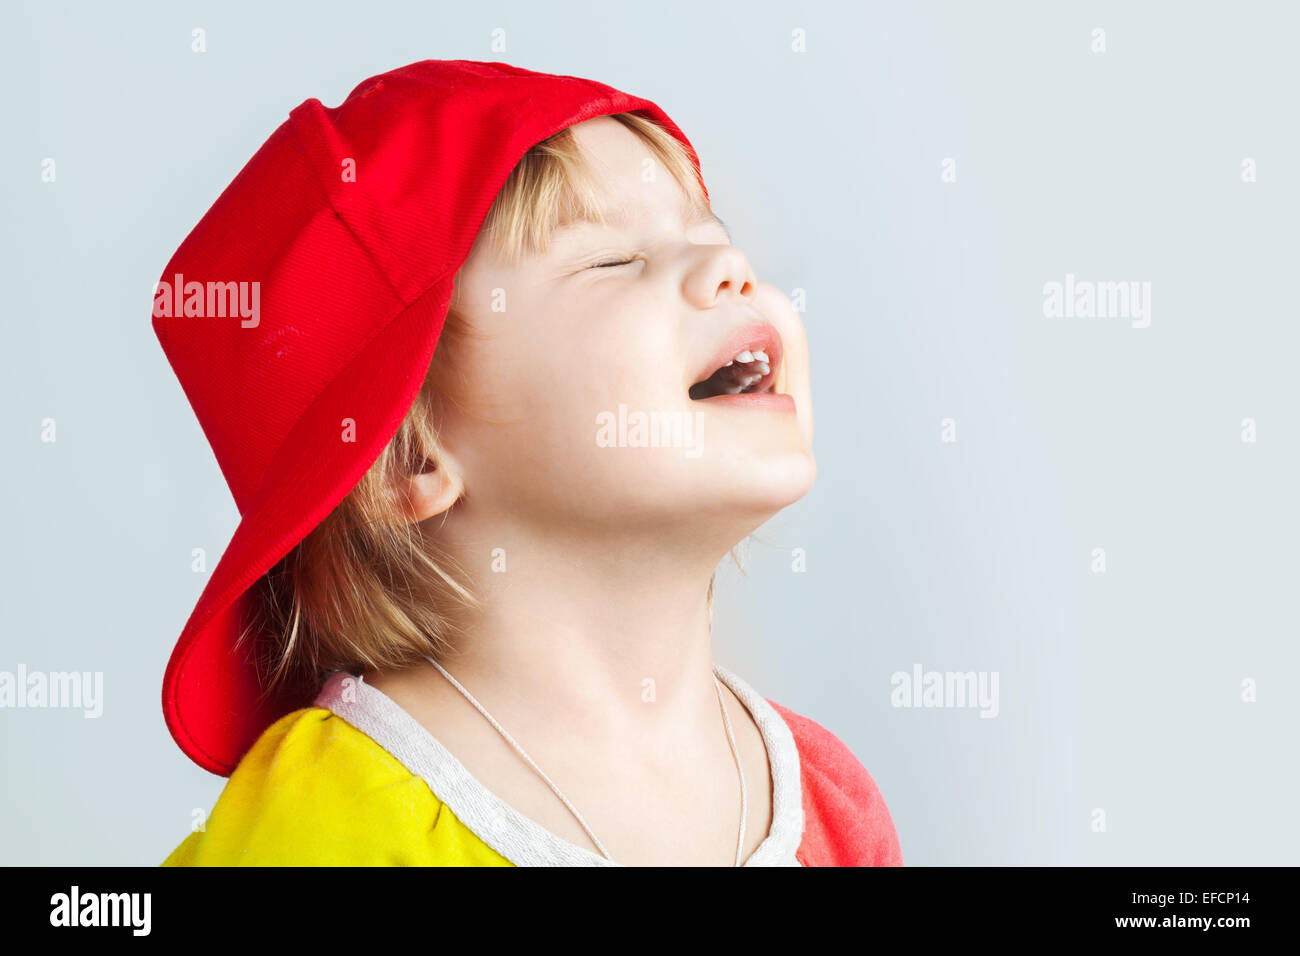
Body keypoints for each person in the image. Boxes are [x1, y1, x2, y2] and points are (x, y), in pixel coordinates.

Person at [155, 59, 902, 867]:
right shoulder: (327, 827)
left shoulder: (829, 803)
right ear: (410, 455)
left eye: (712, 238)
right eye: (613, 261)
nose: (733, 271)